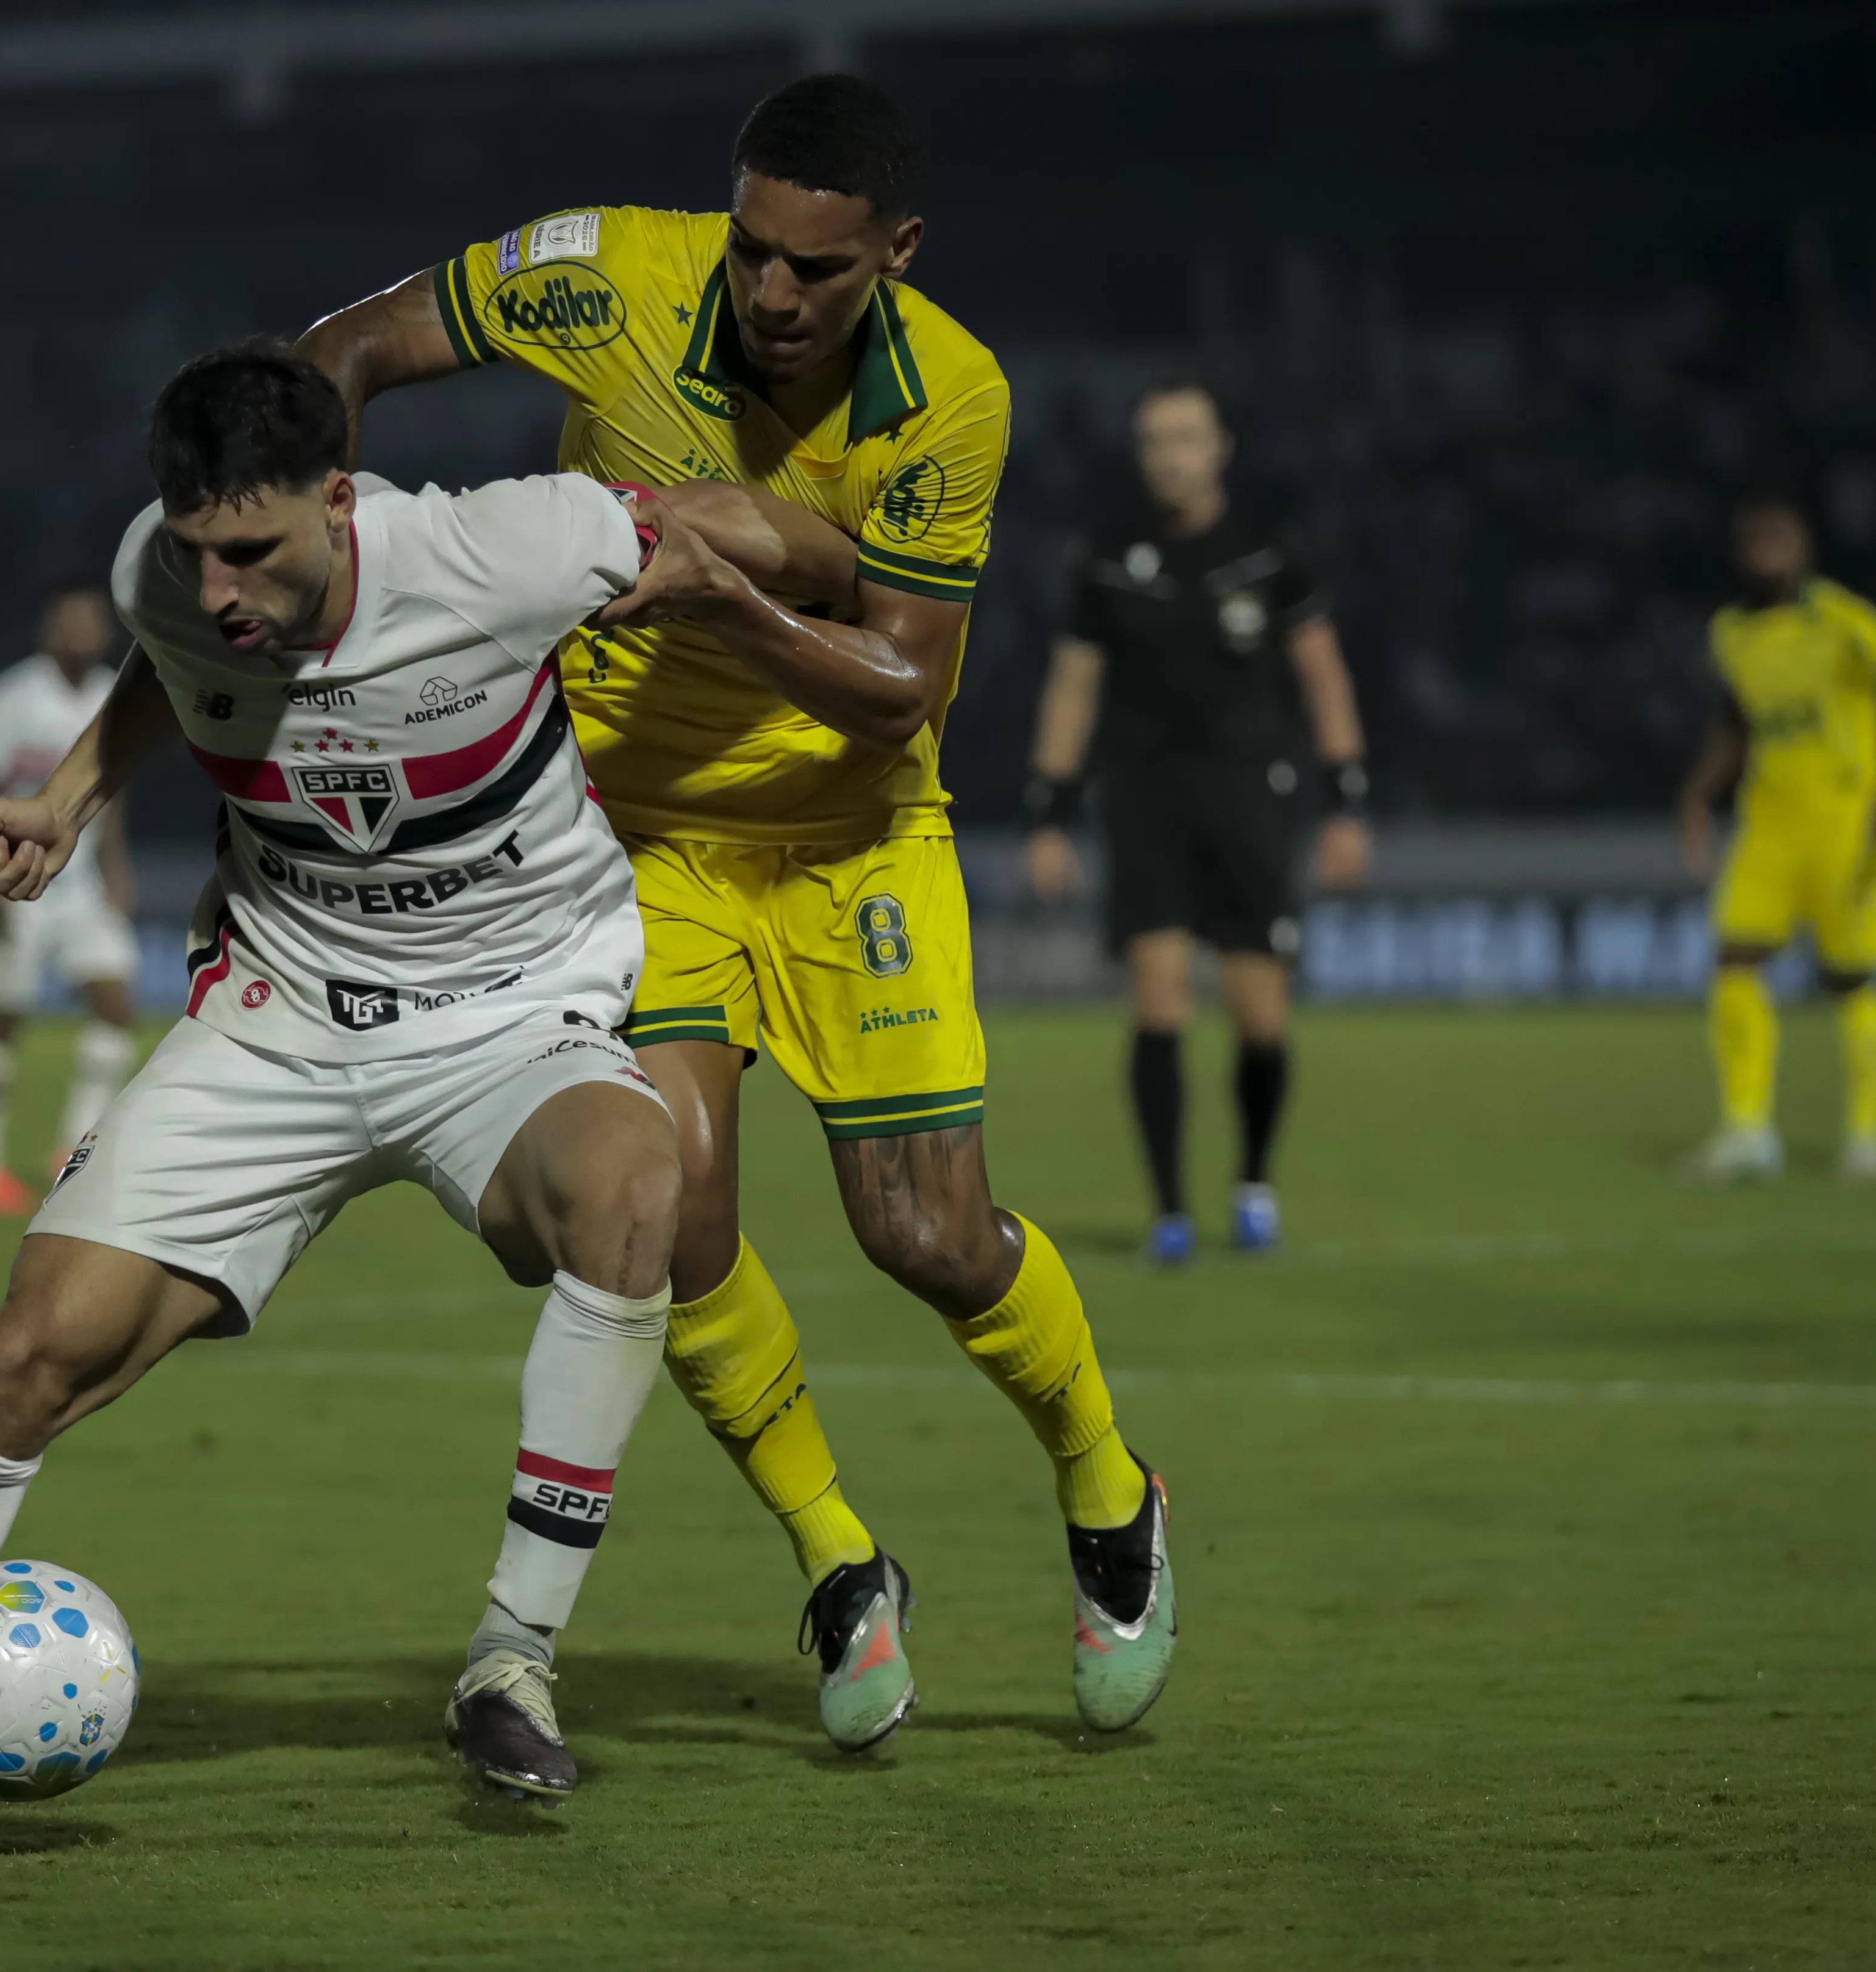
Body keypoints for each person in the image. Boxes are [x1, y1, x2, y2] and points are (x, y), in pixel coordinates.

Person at [0, 343, 717, 1838]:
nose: (217, 584)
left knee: (636, 1185)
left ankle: (509, 1657)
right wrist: (71, 795)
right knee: (30, 1347)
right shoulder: (166, 574)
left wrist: (871, 582)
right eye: (194, 548)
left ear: (340, 499)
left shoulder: (507, 540)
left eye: (251, 550)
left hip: (508, 1015)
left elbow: (735, 529)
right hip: (278, 1024)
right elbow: (177, 667)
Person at [299, 74, 1174, 1751]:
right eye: (755, 252)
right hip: (632, 847)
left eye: (817, 273)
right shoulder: (610, 276)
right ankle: (841, 1558)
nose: (772, 295)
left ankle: (1106, 1485)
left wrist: (717, 584)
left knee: (923, 1237)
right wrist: (329, 583)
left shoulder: (954, 399)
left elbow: (899, 691)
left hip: (854, 841)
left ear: (895, 255)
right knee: (668, 1222)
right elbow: (344, 349)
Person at [1022, 379, 1370, 1264]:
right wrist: (1050, 809)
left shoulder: (1267, 553)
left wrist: (1346, 801)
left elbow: (1323, 675)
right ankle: (1170, 1210)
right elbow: (1074, 683)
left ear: (1221, 447)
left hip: (1254, 794)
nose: (1169, 454)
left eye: (1185, 437)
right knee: (1159, 1000)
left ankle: (1253, 1180)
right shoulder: (1107, 556)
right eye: (1154, 440)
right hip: (1144, 799)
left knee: (1260, 1018)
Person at [1677, 496, 1876, 1183]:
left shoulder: (1845, 620)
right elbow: (1738, 722)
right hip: (1768, 820)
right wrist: (1698, 792)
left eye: (1778, 539)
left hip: (1845, 817)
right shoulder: (1729, 631)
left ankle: (1865, 1135)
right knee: (1734, 957)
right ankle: (1747, 1129)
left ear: (1804, 550)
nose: (1765, 550)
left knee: (1848, 975)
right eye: (1753, 540)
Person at [0, 589, 142, 1216]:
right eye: (71, 621)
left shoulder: (112, 692)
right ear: (48, 630)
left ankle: (71, 1146)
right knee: (4, 1018)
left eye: (93, 622)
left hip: (80, 884)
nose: (83, 631)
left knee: (116, 1003)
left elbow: (109, 793)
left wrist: (116, 868)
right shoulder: (13, 698)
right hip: (14, 880)